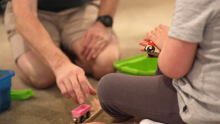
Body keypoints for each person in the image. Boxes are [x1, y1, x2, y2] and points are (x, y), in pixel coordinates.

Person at [90, 0, 220, 124]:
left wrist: (167, 44)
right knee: (160, 67)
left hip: (203, 108)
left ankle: (141, 119)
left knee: (108, 87)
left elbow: (173, 69)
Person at [4, 0, 120, 104]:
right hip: (34, 12)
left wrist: (104, 21)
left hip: (80, 7)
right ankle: (59, 49)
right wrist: (60, 63)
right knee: (41, 75)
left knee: (105, 64)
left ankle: (61, 46)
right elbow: (25, 13)